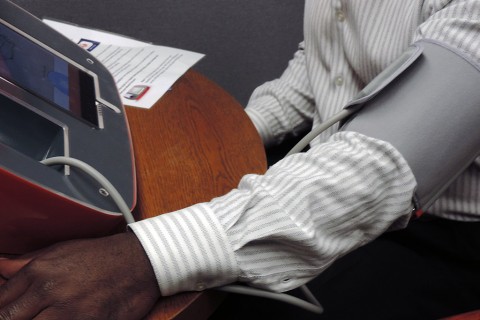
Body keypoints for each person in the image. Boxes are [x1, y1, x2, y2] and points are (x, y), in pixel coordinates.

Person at [1, 1, 480, 319]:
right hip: (329, 161)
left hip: (437, 233)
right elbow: (324, 68)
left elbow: (380, 167)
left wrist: (149, 258)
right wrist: (226, 143)